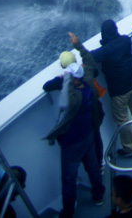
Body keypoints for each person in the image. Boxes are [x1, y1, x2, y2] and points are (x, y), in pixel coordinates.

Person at [42, 48, 105, 217]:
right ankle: (98, 195)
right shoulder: (87, 86)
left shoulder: (72, 95)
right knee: (93, 167)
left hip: (72, 143)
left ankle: (68, 212)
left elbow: (46, 86)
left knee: (68, 180)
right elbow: (90, 65)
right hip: (88, 135)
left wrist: (61, 79)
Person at [70, 23, 132, 159]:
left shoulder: (106, 50)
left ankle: (130, 148)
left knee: (122, 119)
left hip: (119, 91)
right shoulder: (125, 40)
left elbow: (89, 57)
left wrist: (77, 44)